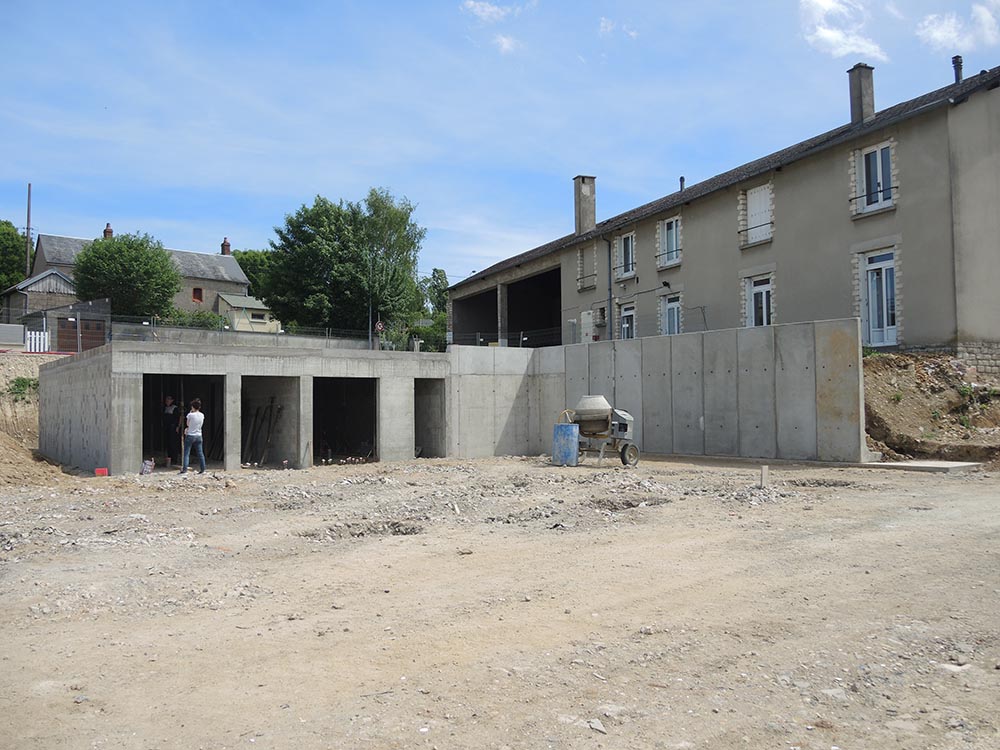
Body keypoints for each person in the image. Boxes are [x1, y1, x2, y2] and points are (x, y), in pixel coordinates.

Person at [180, 398, 206, 474]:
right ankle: (203, 469)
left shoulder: (190, 415)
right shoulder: (202, 415)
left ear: (193, 407)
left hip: (190, 435)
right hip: (199, 435)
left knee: (186, 453)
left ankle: (184, 469)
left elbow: (187, 424)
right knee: (200, 453)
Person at [162, 395, 181, 466]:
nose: (167, 401)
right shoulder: (165, 408)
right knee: (168, 443)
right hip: (167, 428)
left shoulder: (175, 408)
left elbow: (180, 417)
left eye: (168, 399)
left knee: (173, 443)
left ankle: (175, 459)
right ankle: (169, 459)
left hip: (173, 428)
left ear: (172, 400)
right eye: (166, 399)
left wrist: (178, 427)